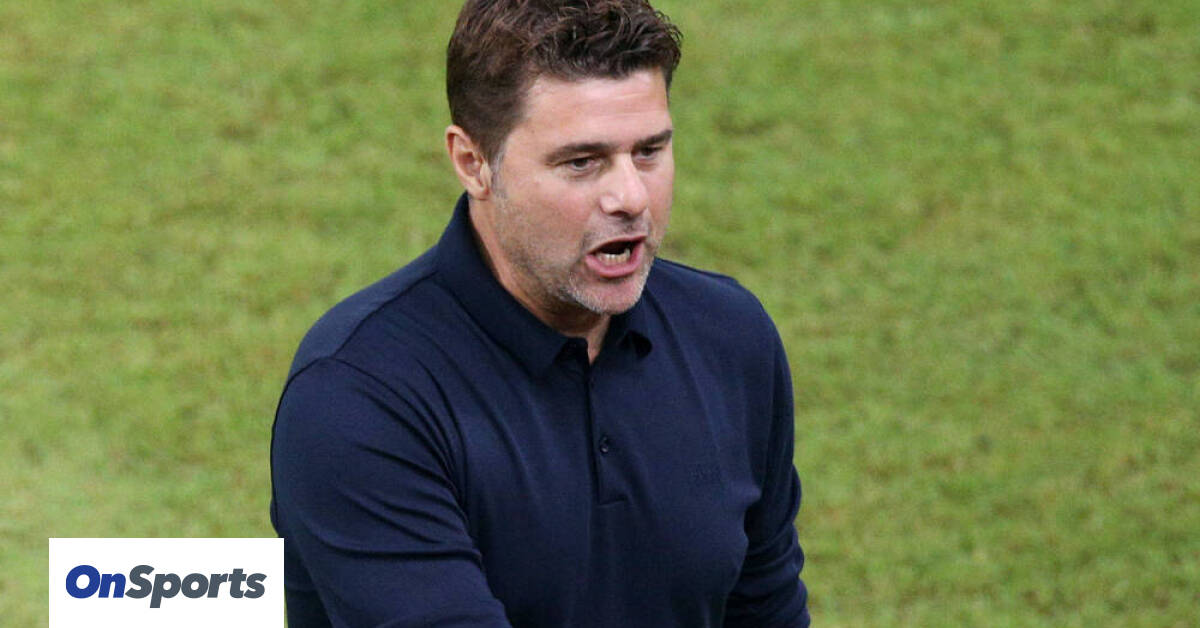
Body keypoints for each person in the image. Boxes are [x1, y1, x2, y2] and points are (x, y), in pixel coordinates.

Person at [269, 1, 809, 626]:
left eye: (649, 151)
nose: (630, 197)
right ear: (473, 163)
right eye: (581, 162)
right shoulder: (360, 396)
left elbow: (767, 609)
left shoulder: (729, 336)